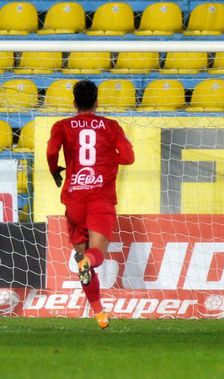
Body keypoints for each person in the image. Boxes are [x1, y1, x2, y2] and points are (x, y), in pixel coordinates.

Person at [46, 80, 135, 329]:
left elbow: (52, 152)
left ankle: (99, 313)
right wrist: (107, 159)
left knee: (81, 256)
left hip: (74, 198)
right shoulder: (111, 126)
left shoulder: (62, 126)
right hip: (100, 198)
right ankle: (89, 266)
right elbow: (128, 157)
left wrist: (55, 171)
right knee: (95, 256)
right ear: (97, 101)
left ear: (74, 102)